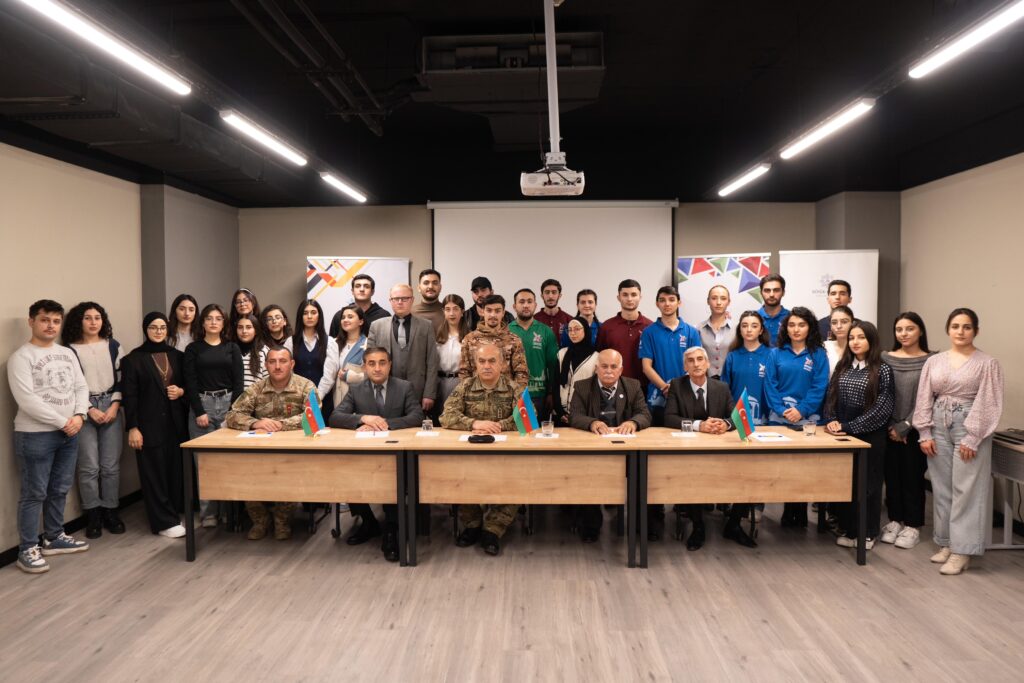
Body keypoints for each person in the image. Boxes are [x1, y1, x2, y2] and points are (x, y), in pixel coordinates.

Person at [913, 308, 1003, 576]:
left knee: (967, 489)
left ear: (976, 330)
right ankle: (947, 542)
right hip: (937, 424)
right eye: (955, 326)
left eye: (966, 327)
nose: (960, 332)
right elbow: (924, 396)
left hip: (969, 424)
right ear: (948, 329)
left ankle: (963, 550)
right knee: (942, 487)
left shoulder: (987, 363)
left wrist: (973, 437)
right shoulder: (934, 361)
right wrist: (924, 432)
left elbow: (989, 402)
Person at [9, 300, 91, 573]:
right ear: (31, 321)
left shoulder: (66, 353)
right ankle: (27, 548)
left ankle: (54, 537)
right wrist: (64, 422)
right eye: (45, 320)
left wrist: (79, 415)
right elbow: (27, 400)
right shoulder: (21, 357)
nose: (51, 326)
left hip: (69, 432)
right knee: (34, 492)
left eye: (56, 321)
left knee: (60, 488)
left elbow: (81, 386)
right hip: (35, 435)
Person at [329, 347, 424, 561]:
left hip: (397, 455)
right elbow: (335, 417)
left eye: (382, 363)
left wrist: (383, 423)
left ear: (390, 365)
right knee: (347, 476)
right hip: (366, 456)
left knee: (393, 479)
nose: (377, 368)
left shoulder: (404, 387)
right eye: (372, 363)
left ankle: (392, 529)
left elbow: (417, 416)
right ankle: (369, 522)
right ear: (364, 367)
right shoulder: (356, 390)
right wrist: (363, 419)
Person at [665, 347, 757, 550]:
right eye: (691, 361)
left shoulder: (721, 387)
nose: (696, 364)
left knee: (748, 471)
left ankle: (733, 525)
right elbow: (669, 418)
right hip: (690, 452)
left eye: (700, 359)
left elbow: (735, 417)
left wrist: (725, 424)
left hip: (720, 451)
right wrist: (699, 425)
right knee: (692, 476)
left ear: (707, 364)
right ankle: (698, 527)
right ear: (685, 366)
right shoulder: (677, 386)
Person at [225, 347, 316, 541]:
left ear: (292, 364)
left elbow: (314, 417)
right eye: (272, 361)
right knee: (246, 474)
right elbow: (233, 415)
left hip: (294, 451)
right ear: (266, 365)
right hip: (260, 451)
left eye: (283, 361)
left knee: (289, 476)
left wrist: (281, 425)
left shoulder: (306, 386)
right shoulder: (257, 388)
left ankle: (282, 521)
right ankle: (260, 521)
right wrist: (255, 423)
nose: (277, 366)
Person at [440, 343, 522, 556]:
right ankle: (473, 525)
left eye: (492, 361)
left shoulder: (515, 388)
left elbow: (528, 421)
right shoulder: (465, 387)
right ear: (475, 364)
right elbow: (446, 416)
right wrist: (474, 423)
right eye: (482, 361)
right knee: (456, 478)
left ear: (502, 364)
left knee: (519, 479)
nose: (487, 366)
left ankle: (493, 529)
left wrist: (499, 426)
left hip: (505, 457)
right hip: (470, 457)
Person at [824, 321, 895, 551]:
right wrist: (832, 419)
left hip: (870, 436)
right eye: (852, 338)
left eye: (861, 337)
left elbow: (882, 408)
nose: (855, 342)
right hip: (843, 434)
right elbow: (831, 396)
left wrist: (848, 426)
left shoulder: (882, 369)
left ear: (871, 340)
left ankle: (868, 533)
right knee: (848, 484)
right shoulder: (843, 366)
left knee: (869, 486)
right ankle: (850, 529)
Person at [568, 349, 651, 542]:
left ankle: (640, 525)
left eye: (614, 367)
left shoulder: (632, 386)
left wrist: (633, 422)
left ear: (621, 370)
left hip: (626, 451)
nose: (608, 371)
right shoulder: (582, 387)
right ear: (596, 368)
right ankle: (591, 527)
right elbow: (575, 416)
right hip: (594, 451)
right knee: (587, 475)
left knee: (644, 472)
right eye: (604, 366)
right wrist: (592, 423)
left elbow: (645, 414)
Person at [122, 312, 188, 540]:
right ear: (145, 329)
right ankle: (163, 522)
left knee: (174, 470)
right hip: (148, 425)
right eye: (153, 327)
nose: (158, 331)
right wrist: (133, 427)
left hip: (176, 423)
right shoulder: (132, 360)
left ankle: (173, 513)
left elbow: (189, 386)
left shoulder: (178, 356)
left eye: (162, 327)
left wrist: (181, 391)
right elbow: (129, 396)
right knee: (154, 473)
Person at [62, 301, 126, 539]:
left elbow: (123, 378)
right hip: (82, 409)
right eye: (87, 318)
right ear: (78, 321)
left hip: (111, 406)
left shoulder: (113, 346)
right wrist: (88, 409)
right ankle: (93, 515)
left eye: (97, 317)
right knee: (89, 467)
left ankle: (111, 511)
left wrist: (115, 405)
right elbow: (69, 385)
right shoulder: (69, 350)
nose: (93, 322)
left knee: (110, 466)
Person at [764, 306, 828, 528]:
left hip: (808, 420)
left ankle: (799, 509)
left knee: (804, 467)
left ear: (810, 327)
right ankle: (787, 508)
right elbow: (770, 385)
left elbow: (819, 386)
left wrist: (801, 410)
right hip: (779, 420)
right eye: (791, 325)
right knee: (783, 468)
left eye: (801, 324)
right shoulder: (775, 353)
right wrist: (782, 410)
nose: (796, 329)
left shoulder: (818, 354)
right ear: (785, 328)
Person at [184, 303, 243, 528]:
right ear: (202, 323)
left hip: (228, 403)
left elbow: (238, 382)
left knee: (228, 462)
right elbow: (190, 382)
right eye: (209, 318)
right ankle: (208, 513)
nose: (213, 322)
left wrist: (233, 412)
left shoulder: (232, 348)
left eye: (218, 318)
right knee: (203, 463)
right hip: (203, 405)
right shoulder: (193, 349)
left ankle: (228, 511)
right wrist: (199, 411)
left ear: (224, 323)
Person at [879, 312, 933, 550]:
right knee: (891, 476)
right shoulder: (885, 357)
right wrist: (892, 425)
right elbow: (881, 392)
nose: (904, 334)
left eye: (910, 328)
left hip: (917, 429)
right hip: (887, 428)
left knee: (913, 476)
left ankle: (912, 525)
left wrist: (906, 426)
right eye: (899, 329)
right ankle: (894, 521)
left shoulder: (932, 360)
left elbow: (929, 397)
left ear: (920, 331)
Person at [367, 283, 440, 412]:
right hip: (385, 391)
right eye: (396, 299)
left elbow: (432, 362)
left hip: (418, 392)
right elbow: (369, 363)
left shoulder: (426, 326)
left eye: (405, 298)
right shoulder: (376, 326)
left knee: (414, 423)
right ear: (390, 301)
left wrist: (429, 393)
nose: (400, 302)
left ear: (412, 300)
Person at [639, 285, 702, 426]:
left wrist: (677, 388)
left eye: (671, 300)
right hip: (657, 395)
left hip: (686, 393)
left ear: (679, 303)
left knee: (686, 433)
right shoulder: (648, 332)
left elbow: (697, 365)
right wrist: (664, 387)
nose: (667, 304)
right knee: (657, 435)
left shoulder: (691, 332)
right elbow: (646, 367)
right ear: (657, 304)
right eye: (662, 300)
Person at [458, 294, 529, 392]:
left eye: (497, 311)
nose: (493, 315)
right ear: (482, 312)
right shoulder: (469, 339)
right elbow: (464, 372)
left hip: (506, 397)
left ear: (503, 313)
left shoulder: (514, 340)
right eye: (489, 310)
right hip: (476, 397)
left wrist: (517, 396)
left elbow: (521, 373)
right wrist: (468, 395)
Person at [509, 288, 559, 417]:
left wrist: (551, 393)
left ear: (535, 305)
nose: (526, 305)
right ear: (514, 306)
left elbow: (553, 365)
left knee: (538, 430)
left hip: (539, 395)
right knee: (515, 430)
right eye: (522, 302)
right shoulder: (506, 331)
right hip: (512, 395)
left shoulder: (546, 331)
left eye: (529, 301)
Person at [720, 311, 771, 428]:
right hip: (737, 420)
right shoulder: (732, 356)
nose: (749, 330)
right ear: (739, 330)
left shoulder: (771, 355)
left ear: (761, 330)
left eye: (754, 326)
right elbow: (724, 389)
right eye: (744, 326)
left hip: (765, 420)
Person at [596, 278, 652, 383]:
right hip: (614, 386)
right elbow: (599, 359)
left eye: (634, 295)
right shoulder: (606, 327)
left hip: (643, 386)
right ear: (618, 297)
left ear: (640, 297)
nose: (629, 299)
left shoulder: (650, 327)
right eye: (625, 295)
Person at [318, 304, 367, 407]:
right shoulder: (333, 343)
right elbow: (329, 374)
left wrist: (353, 377)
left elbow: (374, 375)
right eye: (343, 317)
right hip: (336, 399)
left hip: (359, 400)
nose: (345, 320)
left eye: (350, 317)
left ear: (361, 321)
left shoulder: (369, 344)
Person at [555, 317, 598, 425]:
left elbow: (596, 389)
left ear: (586, 330)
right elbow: (555, 383)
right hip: (561, 412)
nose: (572, 333)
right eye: (569, 330)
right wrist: (560, 412)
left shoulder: (596, 357)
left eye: (577, 329)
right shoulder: (562, 354)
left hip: (584, 413)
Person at [292, 299, 330, 414]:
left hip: (323, 399)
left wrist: (315, 400)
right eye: (305, 313)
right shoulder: (291, 341)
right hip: (296, 399)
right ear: (300, 316)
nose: (309, 316)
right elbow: (289, 372)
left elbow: (329, 376)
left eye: (313, 312)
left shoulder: (330, 342)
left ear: (319, 316)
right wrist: (300, 396)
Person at [436, 294, 471, 410]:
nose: (452, 313)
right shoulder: (436, 336)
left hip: (459, 381)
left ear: (462, 312)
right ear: (443, 312)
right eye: (448, 309)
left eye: (456, 309)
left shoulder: (469, 337)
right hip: (439, 382)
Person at [329, 273, 389, 338]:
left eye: (366, 286)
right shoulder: (340, 316)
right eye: (357, 286)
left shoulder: (384, 316)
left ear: (372, 292)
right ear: (352, 291)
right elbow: (332, 342)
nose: (362, 289)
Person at [698, 285, 732, 378]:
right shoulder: (698, 329)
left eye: (723, 298)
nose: (718, 302)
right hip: (705, 382)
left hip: (731, 381)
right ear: (708, 301)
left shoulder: (737, 329)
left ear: (729, 302)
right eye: (714, 298)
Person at [535, 278, 574, 347]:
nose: (550, 296)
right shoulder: (534, 320)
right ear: (542, 296)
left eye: (554, 292)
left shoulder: (570, 320)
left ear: (559, 295)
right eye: (547, 292)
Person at [234, 314, 269, 388]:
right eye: (240, 327)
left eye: (248, 327)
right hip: (233, 395)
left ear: (256, 330)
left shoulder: (264, 351)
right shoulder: (230, 349)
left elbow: (268, 381)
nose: (244, 331)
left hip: (257, 394)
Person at [757, 274, 789, 346]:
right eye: (767, 290)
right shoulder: (753, 318)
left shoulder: (791, 318)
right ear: (761, 293)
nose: (771, 294)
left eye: (776, 290)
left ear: (783, 292)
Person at [823, 305, 855, 374]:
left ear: (852, 324)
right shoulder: (824, 346)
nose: (839, 326)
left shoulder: (858, 347)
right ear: (830, 326)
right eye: (834, 322)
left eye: (844, 322)